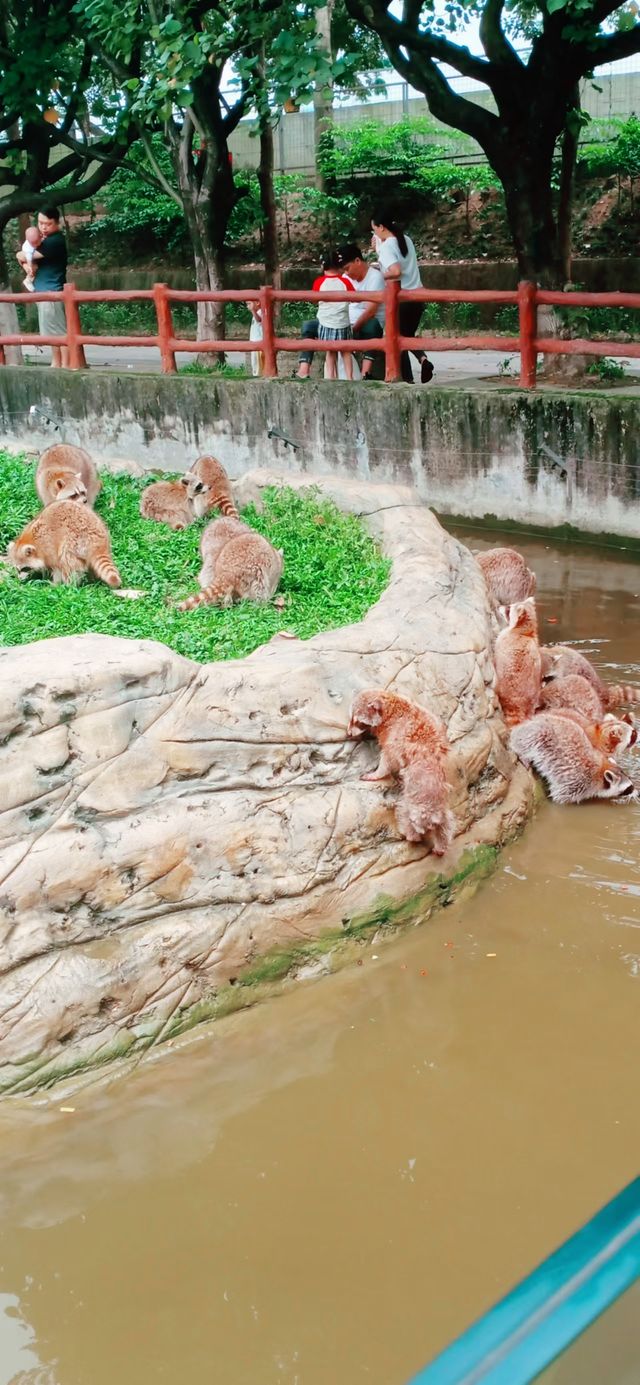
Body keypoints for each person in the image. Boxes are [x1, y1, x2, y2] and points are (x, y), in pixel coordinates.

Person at [370, 209, 434, 385]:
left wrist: (379, 275)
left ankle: (407, 379)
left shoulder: (388, 246)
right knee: (406, 335)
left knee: (396, 337)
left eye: (374, 229)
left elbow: (395, 271)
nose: (374, 234)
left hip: (403, 299)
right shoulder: (405, 240)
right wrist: (378, 250)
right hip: (418, 297)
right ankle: (423, 361)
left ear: (381, 227)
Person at [16, 205, 68, 368]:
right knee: (52, 333)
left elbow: (26, 255)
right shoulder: (43, 240)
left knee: (59, 333)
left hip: (51, 292)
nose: (43, 227)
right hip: (45, 292)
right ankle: (56, 363)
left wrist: (20, 256)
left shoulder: (55, 241)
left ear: (57, 223)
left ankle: (65, 365)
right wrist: (23, 261)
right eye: (40, 223)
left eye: (48, 224)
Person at [335, 242, 385, 380]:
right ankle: (304, 372)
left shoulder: (375, 277)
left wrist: (353, 329)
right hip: (346, 324)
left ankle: (365, 373)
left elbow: (370, 311)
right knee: (310, 327)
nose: (346, 273)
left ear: (358, 261)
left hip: (365, 325)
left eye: (347, 268)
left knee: (373, 326)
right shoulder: (345, 279)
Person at [316, 250, 354, 380]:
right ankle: (350, 378)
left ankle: (331, 378)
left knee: (330, 352)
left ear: (323, 266)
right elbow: (355, 297)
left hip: (326, 323)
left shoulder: (319, 282)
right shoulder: (345, 282)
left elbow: (314, 298)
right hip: (343, 322)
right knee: (346, 351)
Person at [21, 226, 42, 291]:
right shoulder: (28, 247)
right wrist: (30, 266)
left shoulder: (40, 237)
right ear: (27, 240)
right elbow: (29, 258)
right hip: (28, 259)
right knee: (34, 268)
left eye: (37, 242)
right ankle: (28, 280)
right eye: (33, 243)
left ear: (40, 236)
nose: (36, 245)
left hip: (33, 256)